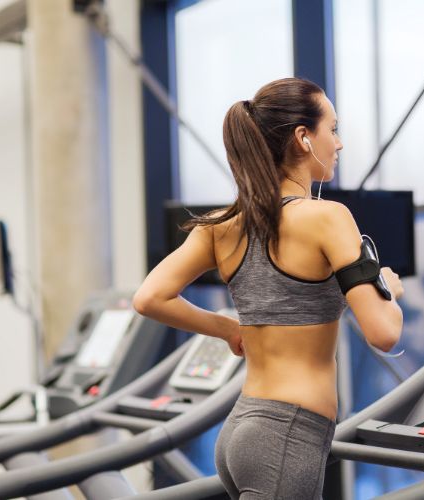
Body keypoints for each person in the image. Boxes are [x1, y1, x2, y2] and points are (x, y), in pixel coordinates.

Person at [133, 77, 404, 499]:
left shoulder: (222, 225)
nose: (339, 142)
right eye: (332, 129)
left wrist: (228, 329)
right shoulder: (327, 218)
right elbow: (384, 334)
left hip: (243, 426)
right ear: (303, 138)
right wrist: (389, 291)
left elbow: (149, 297)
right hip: (287, 433)